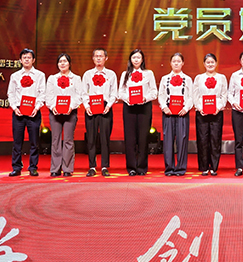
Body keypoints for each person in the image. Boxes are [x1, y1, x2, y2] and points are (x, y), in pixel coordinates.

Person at [118, 49, 158, 176]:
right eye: (134, 57)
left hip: (144, 108)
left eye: (138, 58)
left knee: (143, 137)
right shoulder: (125, 74)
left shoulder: (149, 73)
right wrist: (127, 99)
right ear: (130, 59)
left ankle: (141, 167)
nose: (136, 60)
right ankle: (131, 167)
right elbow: (120, 92)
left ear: (142, 60)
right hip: (129, 108)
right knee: (130, 138)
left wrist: (145, 98)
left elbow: (154, 92)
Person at [7, 48, 46, 177]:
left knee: (34, 141)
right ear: (20, 60)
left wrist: (37, 107)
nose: (27, 60)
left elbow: (42, 93)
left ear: (33, 60)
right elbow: (11, 93)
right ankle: (16, 167)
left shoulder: (40, 75)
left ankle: (33, 167)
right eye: (24, 58)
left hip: (34, 111)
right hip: (19, 111)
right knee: (17, 141)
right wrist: (14, 108)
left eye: (29, 57)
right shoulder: (15, 76)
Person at [81, 48, 118, 177]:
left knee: (105, 138)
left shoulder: (111, 74)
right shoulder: (87, 74)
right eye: (96, 56)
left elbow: (114, 92)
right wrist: (86, 106)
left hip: (105, 107)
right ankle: (92, 166)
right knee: (91, 138)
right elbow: (83, 92)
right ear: (93, 58)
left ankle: (104, 166)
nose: (98, 58)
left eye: (101, 56)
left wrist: (109, 105)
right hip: (91, 108)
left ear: (106, 58)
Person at [45, 53, 82, 177]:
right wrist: (52, 106)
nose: (62, 63)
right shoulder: (52, 79)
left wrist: (71, 106)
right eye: (60, 61)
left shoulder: (76, 78)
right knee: (55, 140)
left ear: (69, 63)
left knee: (68, 140)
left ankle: (67, 168)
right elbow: (48, 95)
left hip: (70, 112)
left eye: (65, 61)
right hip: (55, 113)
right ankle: (55, 168)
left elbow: (79, 95)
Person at [193, 54, 228, 176]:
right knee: (202, 139)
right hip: (202, 113)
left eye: (212, 62)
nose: (210, 64)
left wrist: (218, 107)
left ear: (216, 63)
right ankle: (204, 166)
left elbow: (224, 95)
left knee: (215, 139)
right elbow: (195, 96)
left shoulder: (222, 78)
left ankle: (213, 166)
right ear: (204, 64)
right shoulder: (199, 78)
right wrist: (200, 108)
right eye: (208, 62)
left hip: (217, 112)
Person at [158, 53, 193, 176]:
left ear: (183, 63)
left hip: (182, 113)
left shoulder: (187, 79)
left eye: (178, 61)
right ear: (170, 63)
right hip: (168, 112)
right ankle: (169, 168)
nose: (176, 63)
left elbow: (191, 96)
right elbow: (161, 95)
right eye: (174, 61)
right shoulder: (165, 79)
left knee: (182, 140)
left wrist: (186, 108)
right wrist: (164, 107)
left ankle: (181, 168)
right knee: (168, 141)